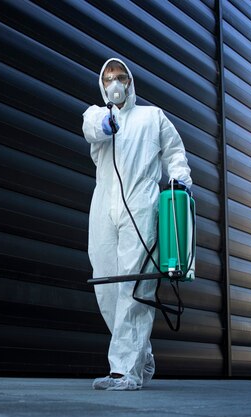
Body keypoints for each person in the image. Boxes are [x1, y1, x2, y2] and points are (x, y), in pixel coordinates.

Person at [82, 58, 192, 390]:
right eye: (109, 78)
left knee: (134, 285)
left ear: (131, 82)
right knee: (106, 287)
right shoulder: (97, 115)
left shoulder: (152, 117)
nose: (115, 83)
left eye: (121, 77)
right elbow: (90, 127)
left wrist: (179, 183)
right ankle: (139, 354)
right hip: (104, 207)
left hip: (141, 207)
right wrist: (105, 124)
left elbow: (175, 153)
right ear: (103, 86)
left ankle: (124, 371)